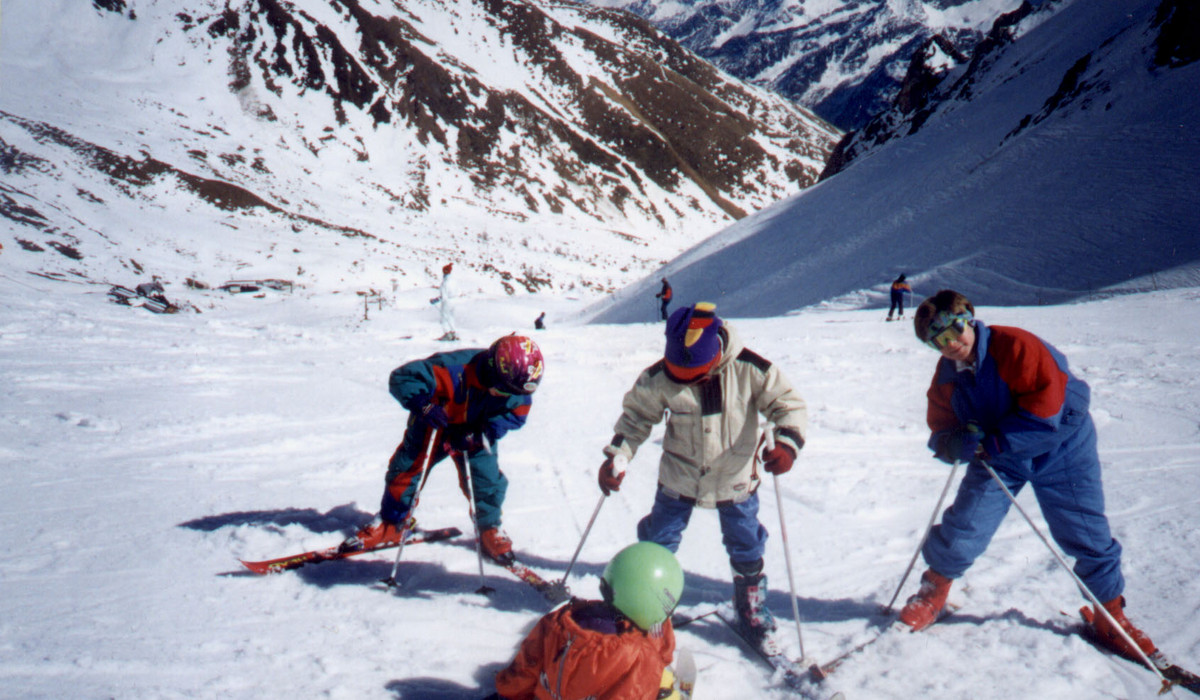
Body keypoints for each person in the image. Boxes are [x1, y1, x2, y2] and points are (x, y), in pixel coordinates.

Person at [900, 289, 1158, 662]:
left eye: (954, 329)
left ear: (969, 318)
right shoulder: (946, 379)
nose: (951, 343)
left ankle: (1110, 616)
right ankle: (933, 592)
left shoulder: (1015, 346)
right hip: (999, 457)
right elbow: (941, 430)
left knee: (1084, 529)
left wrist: (992, 443)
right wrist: (954, 444)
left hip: (1062, 446)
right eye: (938, 341)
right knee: (967, 522)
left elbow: (1046, 411)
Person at [597, 302, 807, 646]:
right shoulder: (659, 377)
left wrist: (787, 445)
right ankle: (645, 604)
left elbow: (789, 406)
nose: (683, 381)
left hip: (735, 479)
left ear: (714, 355)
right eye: (677, 374)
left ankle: (750, 604)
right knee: (658, 540)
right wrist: (617, 456)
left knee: (746, 542)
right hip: (678, 478)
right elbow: (636, 418)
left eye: (693, 376)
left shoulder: (750, 370)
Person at [344, 334, 545, 564]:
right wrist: (423, 405)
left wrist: (482, 434)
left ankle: (489, 528)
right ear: (491, 370)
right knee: (407, 470)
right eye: (503, 389)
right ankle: (392, 523)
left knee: (486, 479)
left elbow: (516, 414)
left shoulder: (514, 388)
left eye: (511, 392)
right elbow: (402, 377)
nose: (506, 396)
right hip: (433, 424)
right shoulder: (452, 368)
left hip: (475, 432)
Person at [492, 542, 683, 700]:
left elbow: (524, 672)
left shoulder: (557, 622)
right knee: (658, 673)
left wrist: (506, 693)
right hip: (642, 666)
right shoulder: (639, 656)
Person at [432, 263, 458, 341]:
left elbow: (443, 296)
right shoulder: (454, 281)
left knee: (444, 318)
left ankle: (447, 334)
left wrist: (436, 300)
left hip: (447, 302)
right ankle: (453, 333)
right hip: (454, 300)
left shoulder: (445, 283)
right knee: (451, 317)